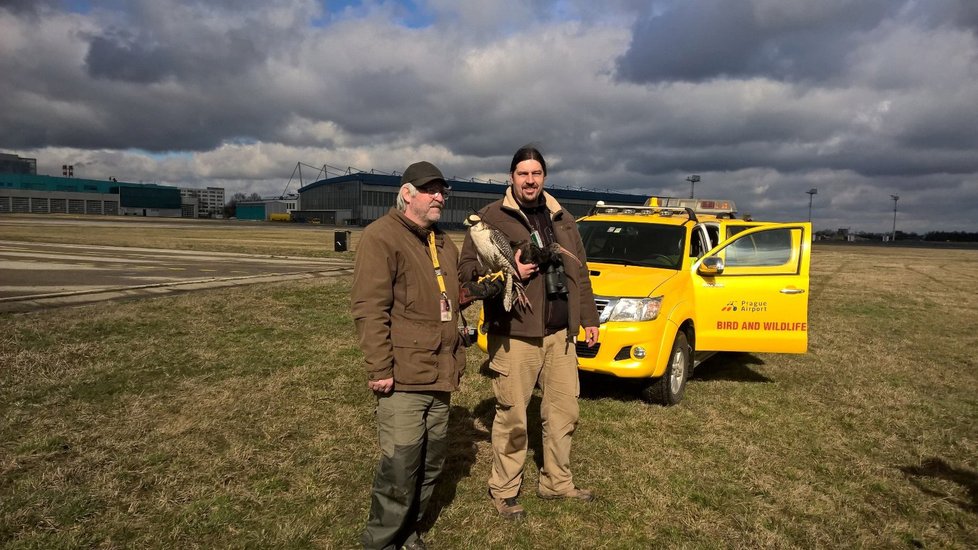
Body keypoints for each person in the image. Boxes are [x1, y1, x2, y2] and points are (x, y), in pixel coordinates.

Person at [459, 145, 600, 520]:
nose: (530, 180)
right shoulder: (490, 218)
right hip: (516, 334)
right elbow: (467, 273)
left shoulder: (563, 217)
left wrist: (589, 319)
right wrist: (509, 274)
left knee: (564, 411)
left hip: (560, 335)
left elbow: (580, 273)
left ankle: (557, 482)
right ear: (511, 178)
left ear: (544, 178)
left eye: (536, 173)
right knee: (512, 415)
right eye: (523, 173)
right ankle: (504, 490)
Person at [352, 161, 464, 549]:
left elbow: (453, 296)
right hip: (402, 377)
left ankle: (408, 532)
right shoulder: (381, 237)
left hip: (441, 373)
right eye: (430, 190)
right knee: (400, 468)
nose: (439, 197)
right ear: (406, 193)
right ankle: (381, 542)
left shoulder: (443, 241)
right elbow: (369, 308)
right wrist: (380, 367)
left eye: (442, 190)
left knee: (431, 464)